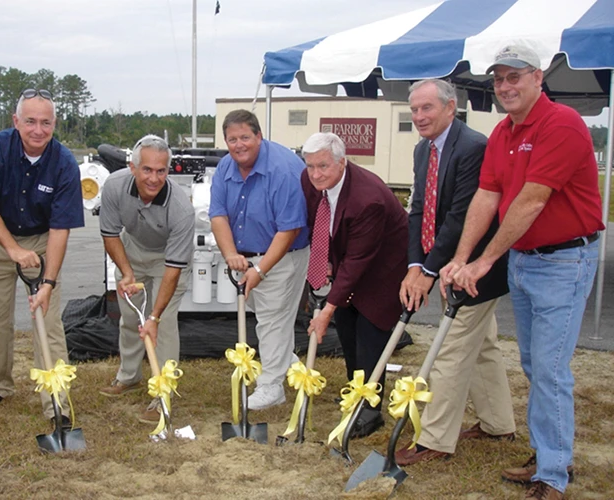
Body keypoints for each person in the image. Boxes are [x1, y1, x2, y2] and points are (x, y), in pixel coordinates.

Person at [442, 45, 603, 500]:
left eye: (515, 77)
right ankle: (552, 452)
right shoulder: (503, 132)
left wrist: (485, 260)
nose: (506, 87)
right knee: (534, 364)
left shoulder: (563, 124)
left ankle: (553, 474)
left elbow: (532, 200)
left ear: (538, 78)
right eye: (499, 80)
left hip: (564, 261)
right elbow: (487, 197)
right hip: (526, 259)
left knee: (550, 369)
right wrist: (462, 257)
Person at [395, 79, 515, 465]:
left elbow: (460, 218)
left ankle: (434, 439)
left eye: (426, 108)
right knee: (483, 347)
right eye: (414, 110)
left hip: (476, 268)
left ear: (451, 108)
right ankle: (498, 423)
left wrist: (430, 271)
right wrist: (416, 264)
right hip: (448, 264)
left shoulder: (474, 147)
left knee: (449, 351)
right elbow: (419, 211)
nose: (419, 117)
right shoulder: (422, 150)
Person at [0, 88, 84, 428]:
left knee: (48, 324)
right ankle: (0, 385)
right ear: (16, 121)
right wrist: (12, 250)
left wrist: (48, 281)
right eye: (30, 121)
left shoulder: (64, 163)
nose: (37, 130)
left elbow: (61, 229)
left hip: (43, 240)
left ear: (54, 123)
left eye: (45, 123)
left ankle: (56, 404)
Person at [302, 132, 408, 437]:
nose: (315, 174)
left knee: (370, 335)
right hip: (350, 257)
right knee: (348, 330)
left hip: (384, 269)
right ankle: (355, 391)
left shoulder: (367, 198)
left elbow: (359, 261)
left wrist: (326, 310)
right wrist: (324, 259)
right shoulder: (310, 180)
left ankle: (370, 410)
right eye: (310, 166)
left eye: (323, 166)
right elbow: (318, 220)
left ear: (342, 162)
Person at [208, 109, 310, 410]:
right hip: (244, 258)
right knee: (268, 319)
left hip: (282, 256)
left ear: (259, 136)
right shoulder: (226, 168)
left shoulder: (284, 170)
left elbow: (289, 229)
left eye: (245, 137)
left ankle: (271, 387)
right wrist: (230, 255)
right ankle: (284, 359)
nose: (239, 145)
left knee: (272, 320)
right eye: (232, 139)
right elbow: (218, 215)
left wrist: (261, 269)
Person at [97, 135, 194, 423]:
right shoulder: (114, 186)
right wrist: (126, 272)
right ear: (133, 167)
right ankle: (129, 376)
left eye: (161, 171)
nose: (154, 178)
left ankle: (162, 394)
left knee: (162, 326)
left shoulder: (181, 209)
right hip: (132, 251)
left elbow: (173, 270)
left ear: (168, 169)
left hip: (168, 260)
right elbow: (110, 235)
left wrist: (154, 316)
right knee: (129, 319)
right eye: (147, 170)